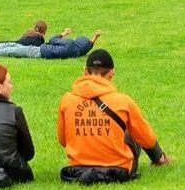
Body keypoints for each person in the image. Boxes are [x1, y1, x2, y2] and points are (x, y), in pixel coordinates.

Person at [57, 49, 170, 183]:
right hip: (117, 170)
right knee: (133, 129)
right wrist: (158, 156)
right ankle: (160, 159)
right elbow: (146, 137)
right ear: (111, 73)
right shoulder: (123, 101)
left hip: (79, 168)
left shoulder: (67, 100)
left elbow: (63, 140)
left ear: (85, 71)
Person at [0, 27, 99, 60]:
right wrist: (94, 39)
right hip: (39, 52)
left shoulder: (70, 44)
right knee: (10, 48)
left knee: (9, 50)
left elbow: (53, 40)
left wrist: (62, 34)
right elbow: (88, 45)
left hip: (38, 52)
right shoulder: (76, 52)